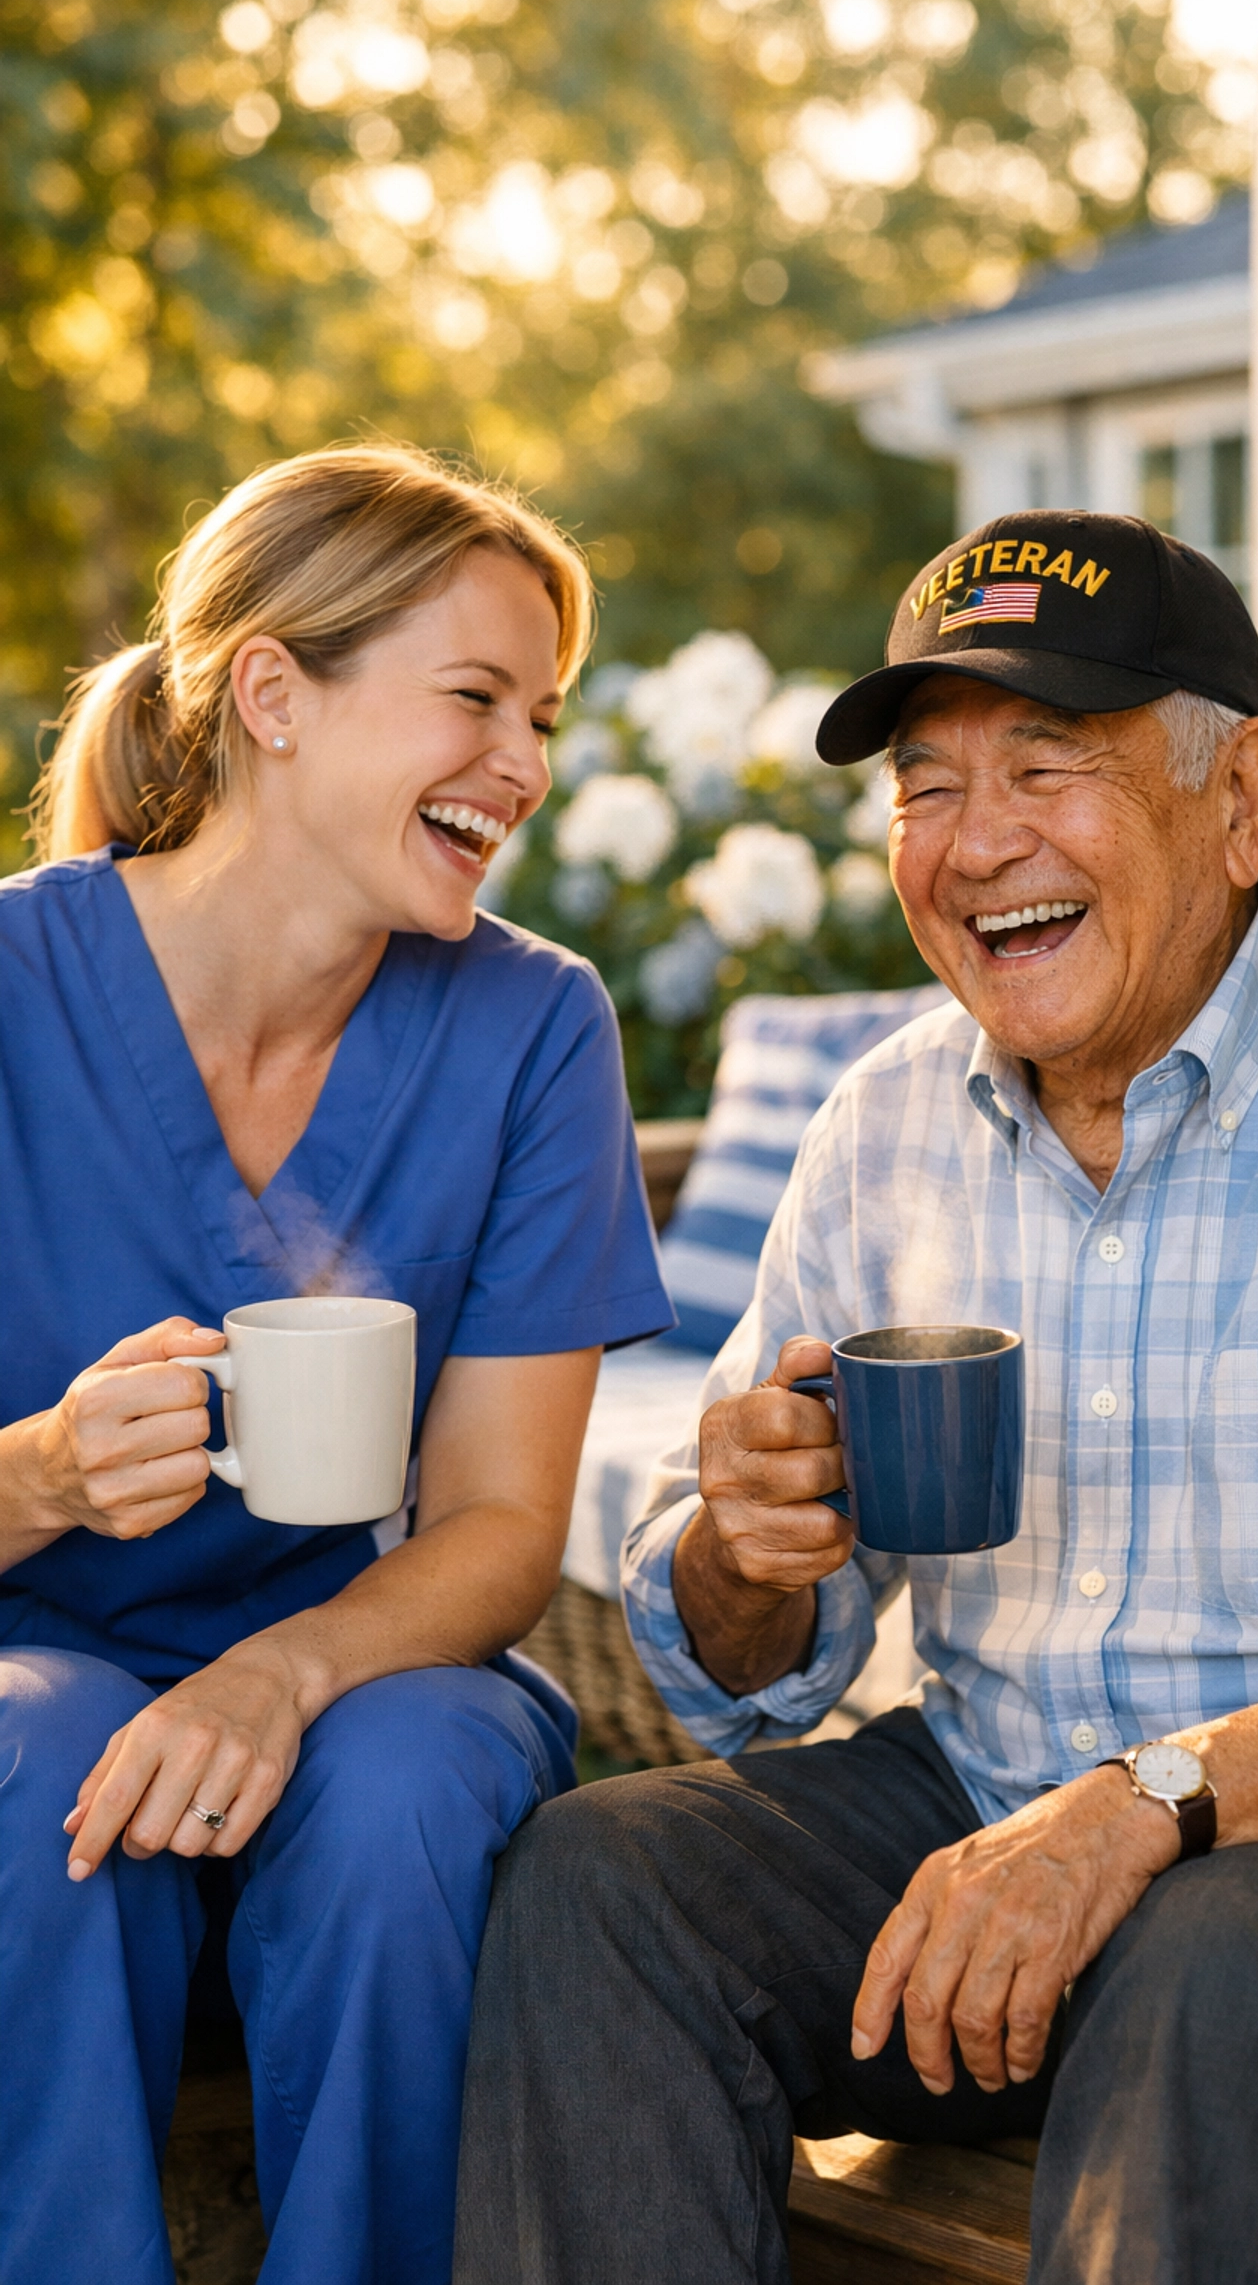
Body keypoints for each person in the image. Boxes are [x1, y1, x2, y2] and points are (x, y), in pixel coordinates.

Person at [456, 511, 1258, 2285]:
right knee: (605, 1881)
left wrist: (1137, 1811)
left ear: (1245, 797)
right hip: (980, 1800)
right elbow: (738, 1666)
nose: (979, 846)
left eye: (1050, 766)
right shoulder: (885, 1124)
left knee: (1217, 1964)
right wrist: (748, 1549)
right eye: (928, 789)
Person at [0, 444, 675, 2285]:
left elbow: (500, 1523)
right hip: (31, 1654)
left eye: (541, 717)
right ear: (274, 698)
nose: (525, 768)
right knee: (30, 1741)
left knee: (404, 1782)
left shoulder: (536, 1027)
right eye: (474, 699)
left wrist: (276, 1678)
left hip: (366, 1657)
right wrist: (43, 1477)